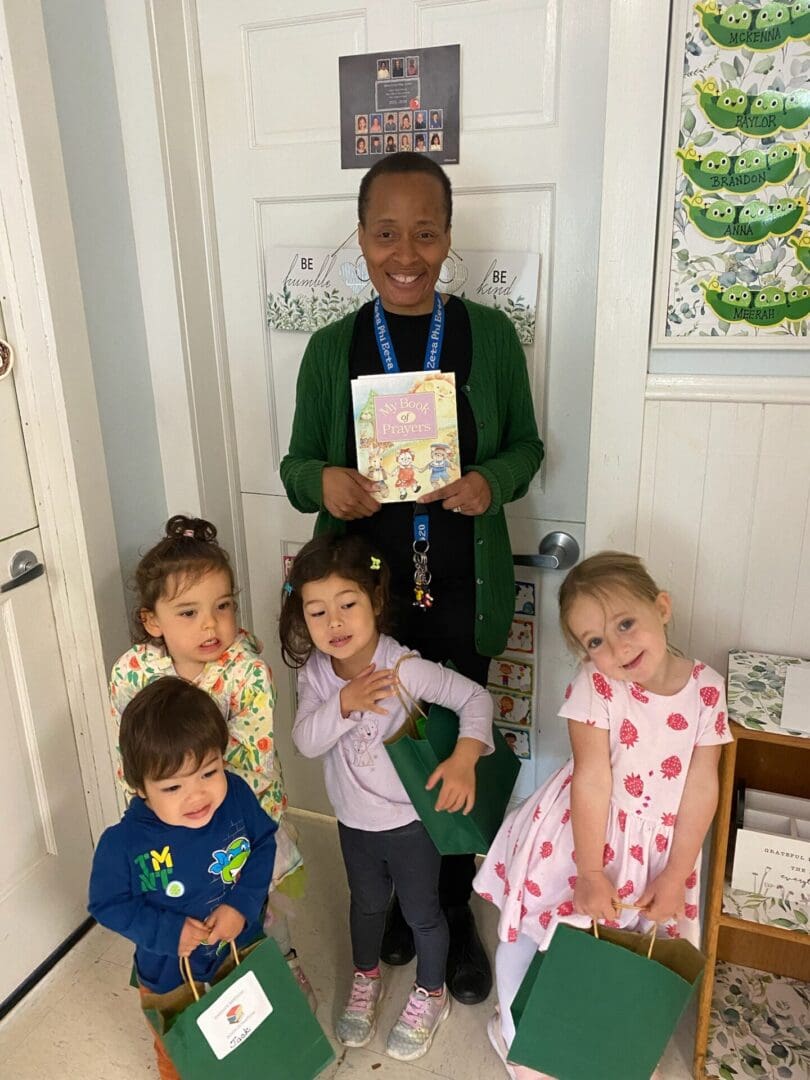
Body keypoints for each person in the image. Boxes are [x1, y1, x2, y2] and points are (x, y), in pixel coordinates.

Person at [280, 151, 543, 1006]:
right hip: (364, 602)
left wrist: (488, 482)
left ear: (447, 239)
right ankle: (393, 901)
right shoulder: (331, 348)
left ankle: (452, 915)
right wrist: (323, 482)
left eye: (424, 233)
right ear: (361, 239)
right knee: (375, 751)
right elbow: (295, 463)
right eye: (386, 232)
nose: (406, 252)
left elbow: (527, 448)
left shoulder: (488, 337)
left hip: (462, 589)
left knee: (452, 754)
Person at [473, 551, 732, 1079]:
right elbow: (592, 778)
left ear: (661, 607)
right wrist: (590, 873)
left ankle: (603, 1042)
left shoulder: (707, 688)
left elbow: (703, 785)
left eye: (625, 623)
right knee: (536, 932)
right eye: (594, 641)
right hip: (582, 838)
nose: (615, 647)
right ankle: (518, 1034)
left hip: (660, 848)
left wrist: (678, 870)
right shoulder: (596, 685)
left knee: (628, 946)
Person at [282, 533, 494, 1060]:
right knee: (368, 906)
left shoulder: (404, 668)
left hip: (409, 825)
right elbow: (306, 741)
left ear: (375, 602)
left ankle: (431, 992)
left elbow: (475, 697)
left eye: (348, 604)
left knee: (423, 914)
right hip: (353, 824)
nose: (334, 623)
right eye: (317, 612)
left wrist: (464, 759)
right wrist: (345, 703)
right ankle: (365, 977)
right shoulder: (314, 674)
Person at [108, 514, 314, 1009]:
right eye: (188, 612)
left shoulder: (246, 672)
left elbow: (249, 763)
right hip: (169, 825)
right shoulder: (134, 671)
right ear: (152, 621)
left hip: (241, 823)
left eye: (222, 606)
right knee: (187, 909)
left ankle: (281, 962)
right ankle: (202, 984)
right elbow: (131, 755)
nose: (210, 624)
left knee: (258, 906)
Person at [89, 678, 278, 1080]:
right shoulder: (123, 844)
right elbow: (107, 903)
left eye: (209, 773)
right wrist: (166, 931)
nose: (197, 796)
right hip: (168, 973)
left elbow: (262, 843)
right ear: (139, 786)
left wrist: (242, 903)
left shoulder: (236, 797)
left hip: (237, 949)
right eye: (173, 786)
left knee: (247, 1031)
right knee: (180, 1052)